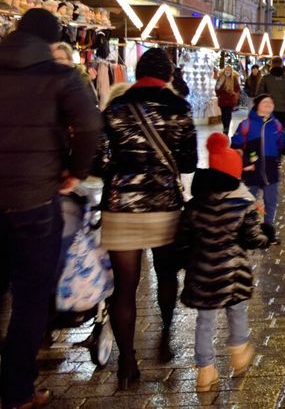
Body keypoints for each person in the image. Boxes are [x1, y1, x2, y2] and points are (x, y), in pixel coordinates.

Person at [0, 8, 102, 409]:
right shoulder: (60, 76)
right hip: (35, 199)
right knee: (30, 296)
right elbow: (91, 124)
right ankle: (17, 391)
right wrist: (75, 171)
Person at [98, 46, 197, 388]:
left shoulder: (115, 108)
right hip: (163, 206)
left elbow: (101, 160)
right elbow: (187, 163)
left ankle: (127, 363)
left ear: (138, 74)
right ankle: (166, 333)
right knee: (166, 274)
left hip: (121, 206)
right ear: (169, 76)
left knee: (125, 288)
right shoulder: (180, 109)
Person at [179, 133, 270, 391]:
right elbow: (253, 239)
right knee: (237, 311)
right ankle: (239, 352)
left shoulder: (195, 205)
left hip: (203, 273)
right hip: (233, 275)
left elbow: (184, 238)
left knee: (205, 321)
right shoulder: (243, 206)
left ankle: (205, 371)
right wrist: (267, 236)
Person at [230, 95, 285, 235]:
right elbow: (235, 146)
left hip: (271, 170)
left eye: (271, 102)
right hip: (252, 171)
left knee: (271, 203)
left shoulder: (276, 125)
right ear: (257, 105)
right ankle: (245, 231)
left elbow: (282, 145)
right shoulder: (246, 125)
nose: (269, 104)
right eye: (265, 102)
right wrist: (245, 163)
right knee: (248, 202)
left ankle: (269, 231)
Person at [258, 57, 285, 130]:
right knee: (281, 131)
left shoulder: (265, 78)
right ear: (282, 64)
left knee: (269, 131)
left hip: (268, 110)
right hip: (284, 110)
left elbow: (260, 94)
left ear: (271, 64)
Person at [215, 65, 242, 133]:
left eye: (229, 70)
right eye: (226, 70)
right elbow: (216, 87)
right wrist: (219, 94)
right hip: (222, 98)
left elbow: (237, 88)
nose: (228, 71)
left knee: (228, 113)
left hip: (230, 98)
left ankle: (227, 127)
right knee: (223, 114)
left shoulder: (234, 78)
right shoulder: (220, 78)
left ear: (231, 71)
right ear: (224, 70)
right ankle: (225, 127)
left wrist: (234, 92)